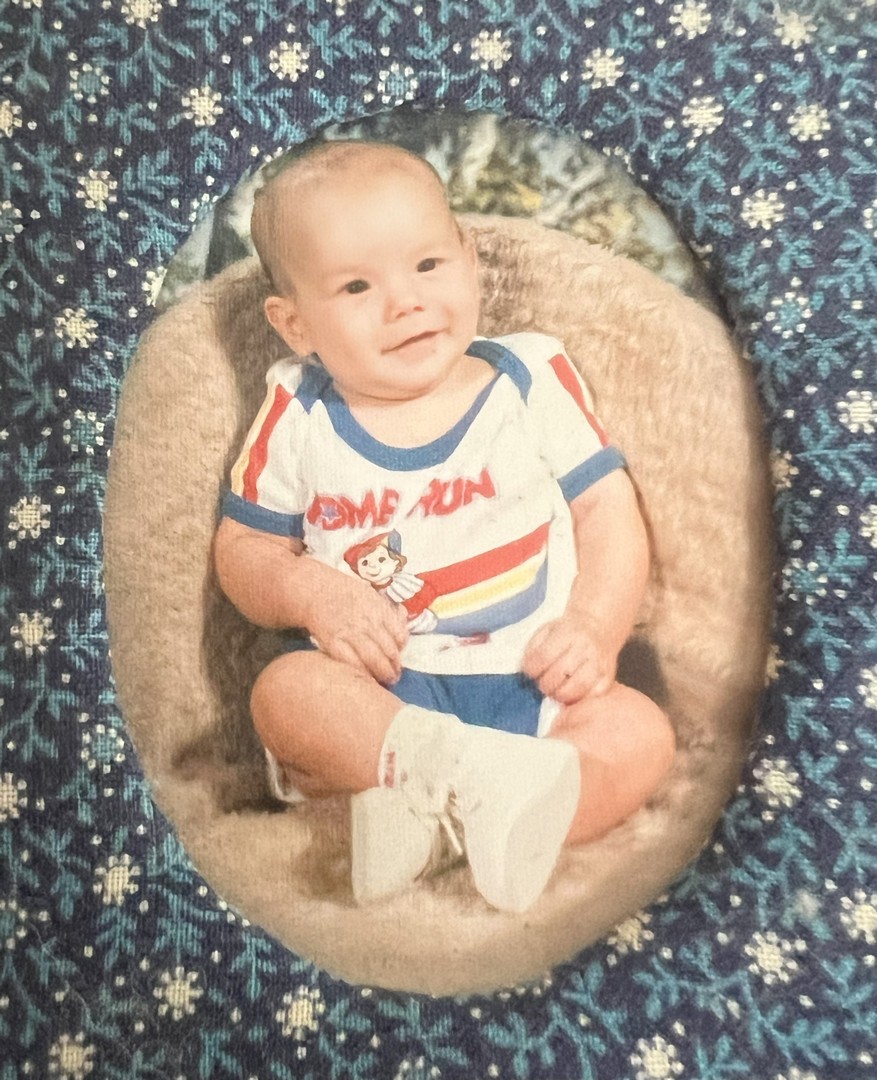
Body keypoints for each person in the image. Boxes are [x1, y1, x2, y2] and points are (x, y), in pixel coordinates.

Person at [214, 140, 676, 913]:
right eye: (356, 286)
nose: (405, 302)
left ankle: (441, 827)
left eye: (428, 265)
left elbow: (607, 511)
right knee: (285, 692)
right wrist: (310, 593)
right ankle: (460, 787)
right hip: (380, 700)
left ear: (469, 259)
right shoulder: (297, 411)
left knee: (639, 735)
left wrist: (595, 629)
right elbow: (245, 552)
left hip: (536, 683)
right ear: (294, 324)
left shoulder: (528, 377)